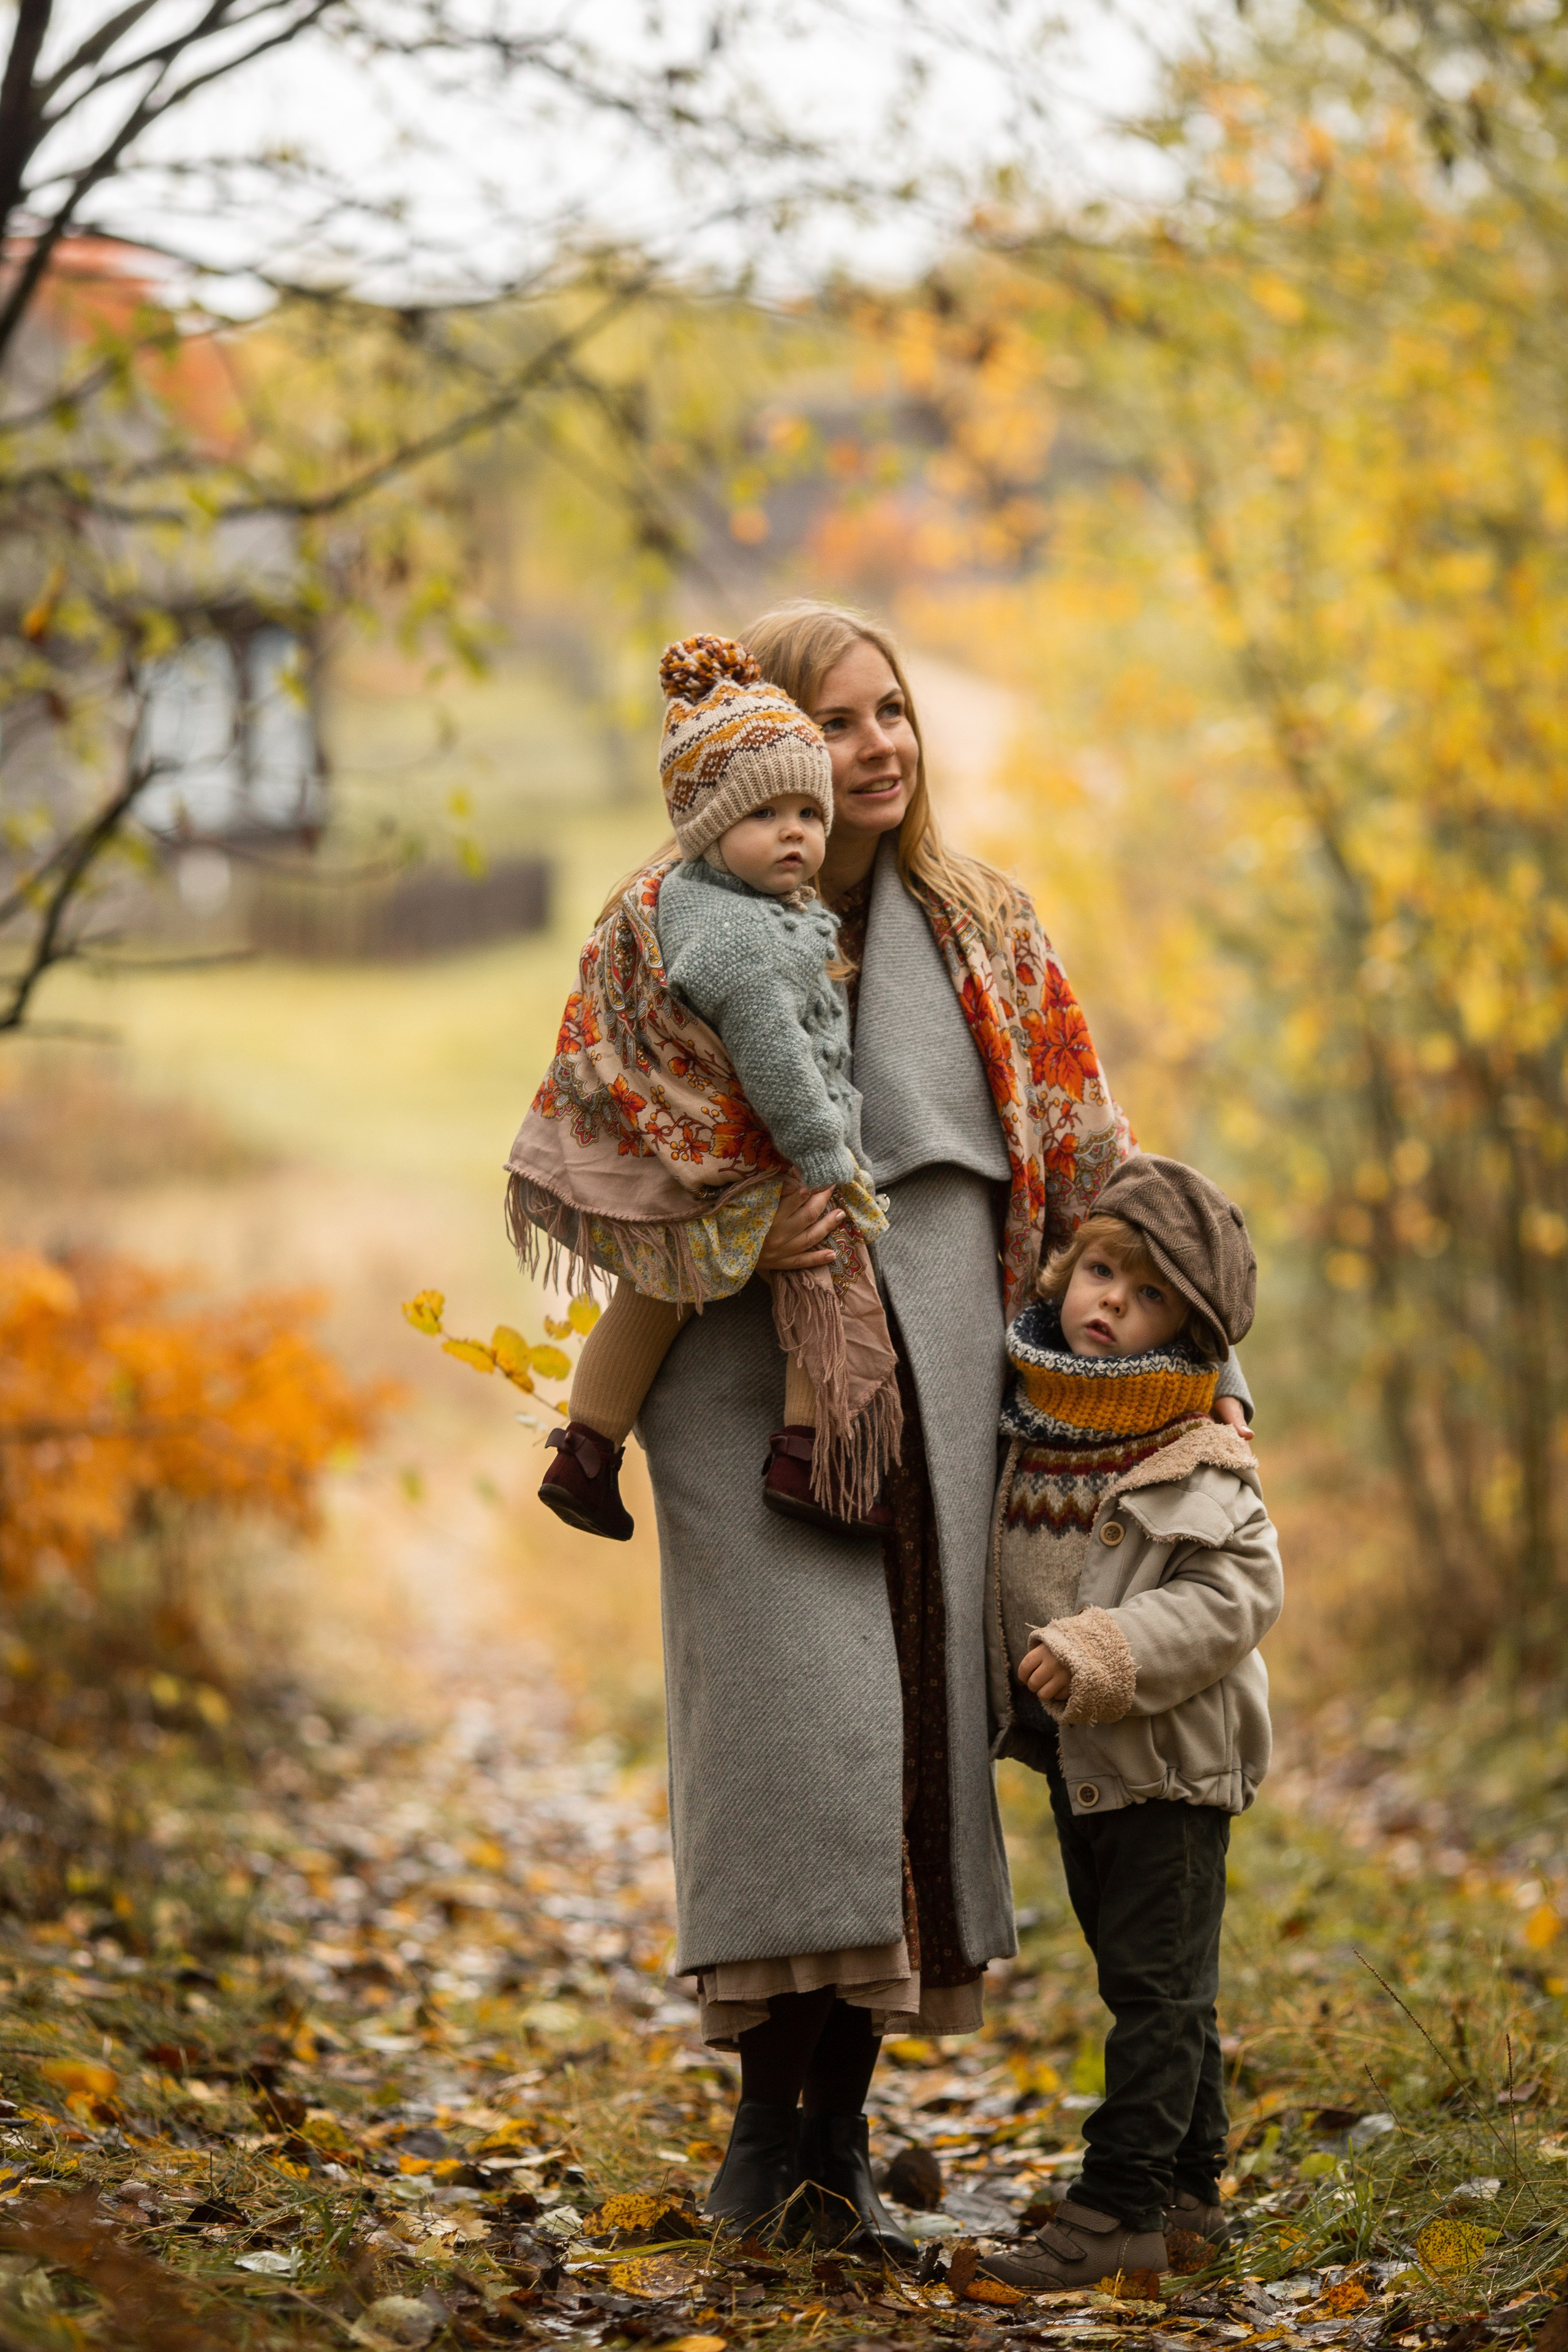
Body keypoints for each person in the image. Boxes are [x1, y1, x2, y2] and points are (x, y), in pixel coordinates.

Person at [505, 600, 1253, 2264]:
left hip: (953, 1387)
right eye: (837, 722)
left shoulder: (987, 924)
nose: (877, 747)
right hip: (735, 1396)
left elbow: (1090, 1157)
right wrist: (732, 1236)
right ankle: (775, 2132)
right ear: (770, 747)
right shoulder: (661, 928)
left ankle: (832, 2136)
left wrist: (1207, 1378)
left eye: (893, 710)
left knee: (903, 1753)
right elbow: (601, 1162)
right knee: (794, 1748)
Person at [979, 1154, 1281, 2291]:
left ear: (1190, 1331)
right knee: (1147, 1978)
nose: (1109, 1301)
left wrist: (1102, 1647)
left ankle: (1118, 2214)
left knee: (1157, 1990)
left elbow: (1238, 1597)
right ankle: (1192, 2193)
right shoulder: (1037, 1414)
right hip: (1085, 1761)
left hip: (1169, 1765)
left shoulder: (1199, 1453)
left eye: (1146, 1293)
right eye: (1100, 1270)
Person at [535, 633, 896, 1541]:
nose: (796, 835)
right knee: (825, 1258)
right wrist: (824, 1153)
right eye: (766, 814)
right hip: (749, 1151)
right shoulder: (747, 942)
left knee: (659, 1292)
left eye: (809, 815)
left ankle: (585, 1451)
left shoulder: (688, 897)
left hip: (677, 1159)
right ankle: (810, 1455)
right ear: (707, 824)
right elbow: (775, 1059)